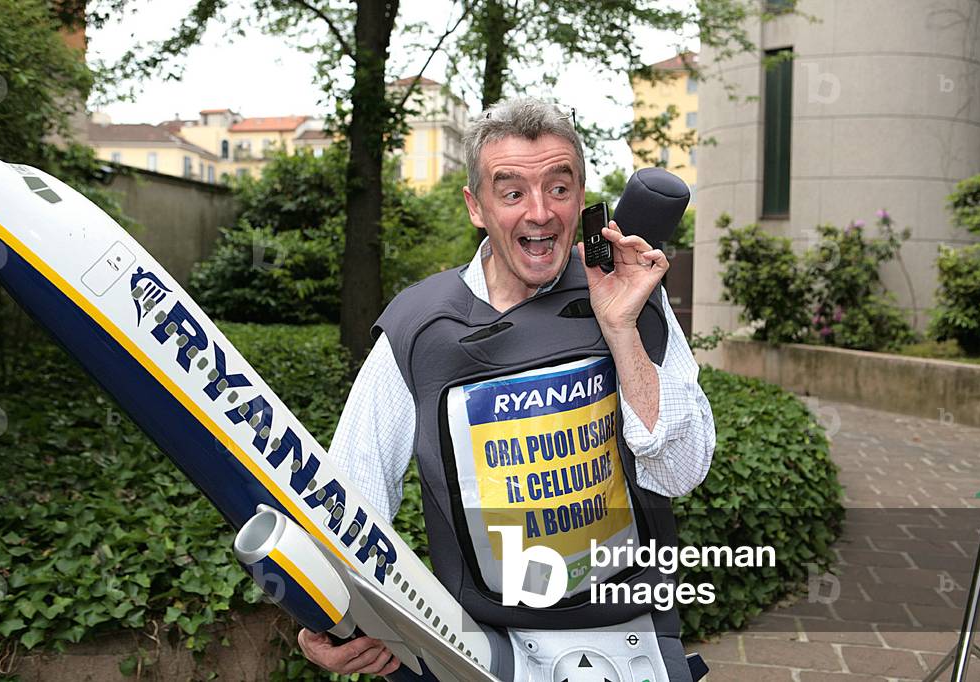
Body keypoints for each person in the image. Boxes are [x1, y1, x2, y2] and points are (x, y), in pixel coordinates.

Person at [297, 98, 716, 680]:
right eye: (512, 191)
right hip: (480, 647)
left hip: (632, 637)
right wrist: (326, 617)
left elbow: (681, 471)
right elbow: (351, 498)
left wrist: (621, 327)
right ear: (477, 206)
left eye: (559, 188)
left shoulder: (630, 290)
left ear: (583, 195)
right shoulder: (419, 326)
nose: (540, 213)